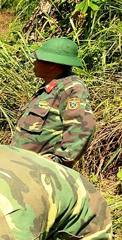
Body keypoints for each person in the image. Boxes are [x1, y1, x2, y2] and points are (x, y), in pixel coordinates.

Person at [12, 37, 96, 168]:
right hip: (22, 166)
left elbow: (82, 128)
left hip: (40, 171)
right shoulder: (48, 89)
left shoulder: (71, 88)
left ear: (52, 65)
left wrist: (58, 161)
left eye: (39, 60)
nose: (34, 63)